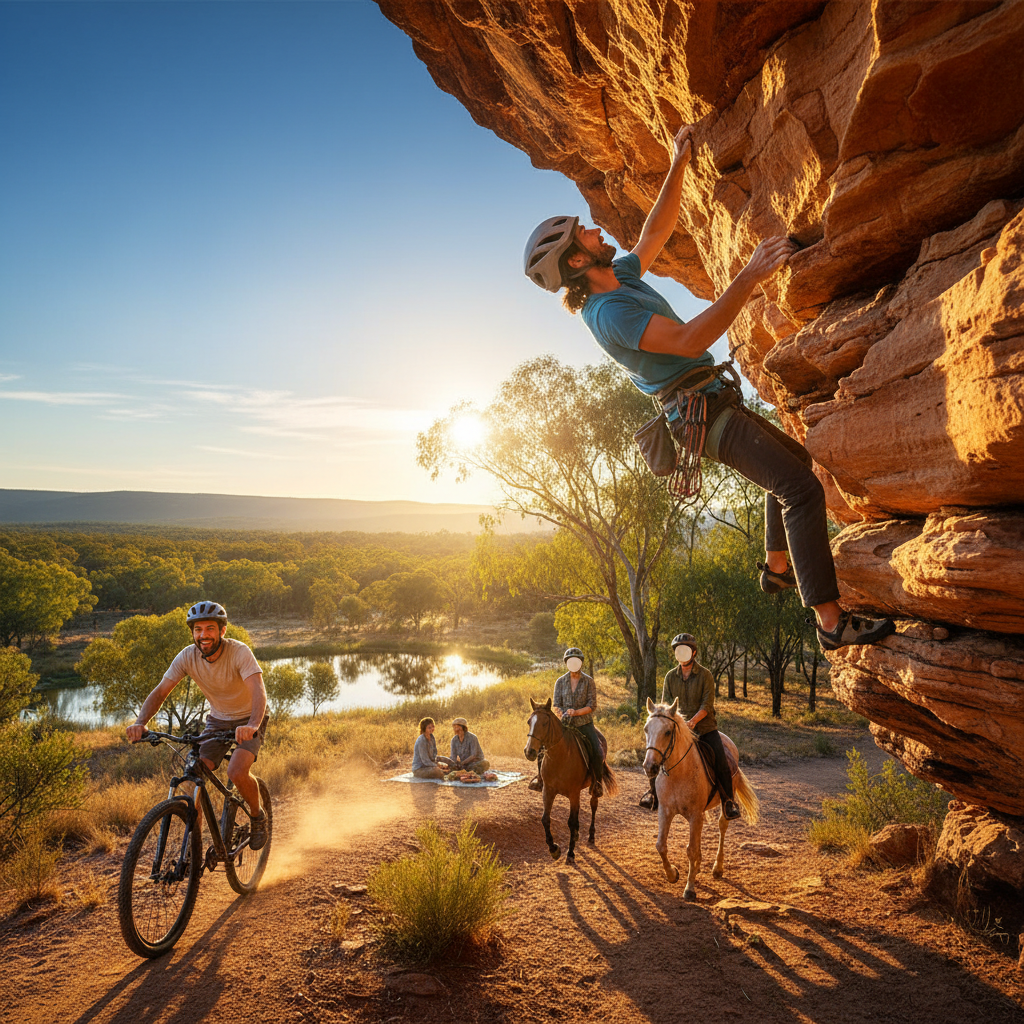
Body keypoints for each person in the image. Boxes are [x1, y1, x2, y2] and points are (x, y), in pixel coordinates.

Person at [523, 124, 895, 654]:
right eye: (584, 233)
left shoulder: (620, 276)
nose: (596, 229)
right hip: (699, 416)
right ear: (577, 262)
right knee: (801, 490)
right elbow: (689, 339)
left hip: (712, 400)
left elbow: (655, 232)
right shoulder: (608, 312)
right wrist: (749, 275)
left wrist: (678, 162)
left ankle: (776, 567)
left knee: (795, 464)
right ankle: (830, 622)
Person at [126, 600, 269, 850]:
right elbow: (161, 692)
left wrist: (253, 724)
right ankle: (195, 849)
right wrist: (140, 722)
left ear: (222, 630)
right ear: (192, 632)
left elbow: (258, 691)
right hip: (217, 720)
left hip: (249, 719)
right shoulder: (187, 656)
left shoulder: (239, 652)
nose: (204, 635)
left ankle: (258, 817)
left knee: (236, 771)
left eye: (210, 629)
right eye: (198, 629)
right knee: (193, 778)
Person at [639, 633, 738, 817]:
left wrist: (692, 722)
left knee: (721, 760)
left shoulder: (706, 675)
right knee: (656, 753)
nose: (681, 653)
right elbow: (666, 706)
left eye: (685, 649)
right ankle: (653, 794)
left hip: (704, 729)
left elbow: (706, 705)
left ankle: (728, 801)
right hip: (677, 730)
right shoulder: (670, 677)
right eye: (678, 650)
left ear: (693, 653)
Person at [530, 647, 607, 796]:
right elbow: (556, 704)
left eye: (576, 661)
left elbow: (592, 705)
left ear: (581, 663)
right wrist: (562, 713)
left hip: (584, 723)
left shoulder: (589, 681)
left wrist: (576, 712)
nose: (573, 664)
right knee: (542, 748)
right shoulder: (560, 682)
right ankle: (540, 779)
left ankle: (596, 784)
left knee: (597, 751)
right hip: (564, 724)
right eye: (570, 661)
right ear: (566, 663)